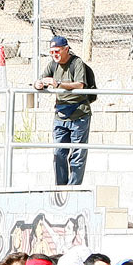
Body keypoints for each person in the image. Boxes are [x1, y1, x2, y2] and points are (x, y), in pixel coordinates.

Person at [35, 35, 96, 186]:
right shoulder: (52, 65)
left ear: (66, 49)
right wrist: (38, 84)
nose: (54, 55)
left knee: (77, 156)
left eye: (57, 51)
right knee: (58, 153)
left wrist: (58, 84)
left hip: (79, 114)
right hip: (60, 115)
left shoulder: (77, 63)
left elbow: (80, 84)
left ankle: (73, 190)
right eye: (51, 52)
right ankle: (61, 189)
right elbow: (40, 80)